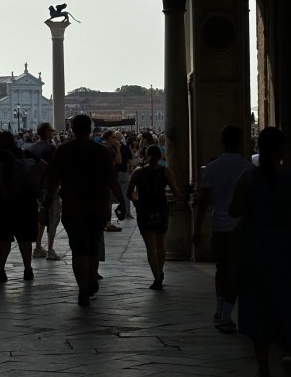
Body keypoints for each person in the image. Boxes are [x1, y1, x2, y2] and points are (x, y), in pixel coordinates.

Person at [228, 126, 291, 377]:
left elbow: (233, 210)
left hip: (256, 246)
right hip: (286, 244)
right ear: (281, 149)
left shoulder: (249, 177)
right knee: (287, 300)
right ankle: (287, 354)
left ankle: (263, 370)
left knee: (256, 305)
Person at [44, 114, 125, 306]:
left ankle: (82, 288)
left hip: (73, 206)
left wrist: (47, 201)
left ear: (72, 128)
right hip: (98, 206)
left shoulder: (64, 150)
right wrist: (121, 201)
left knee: (78, 248)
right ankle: (90, 281)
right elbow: (111, 179)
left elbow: (53, 179)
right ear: (90, 129)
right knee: (93, 246)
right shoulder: (101, 151)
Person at [193, 124, 251, 332]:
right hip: (240, 227)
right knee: (235, 272)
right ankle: (226, 313)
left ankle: (219, 309)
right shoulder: (248, 168)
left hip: (218, 225)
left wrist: (197, 229)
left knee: (221, 269)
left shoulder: (211, 169)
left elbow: (203, 201)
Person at [127, 143, 179, 290]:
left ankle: (156, 277)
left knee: (150, 247)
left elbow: (128, 192)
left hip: (144, 209)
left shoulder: (138, 172)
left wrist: (135, 202)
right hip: (161, 208)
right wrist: (172, 203)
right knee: (161, 244)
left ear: (146, 155)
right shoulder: (166, 171)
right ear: (160, 156)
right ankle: (160, 271)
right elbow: (176, 192)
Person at [0, 131, 39, 281]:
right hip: (26, 201)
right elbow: (44, 166)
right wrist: (39, 187)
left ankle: (0, 270)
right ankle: (28, 269)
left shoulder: (0, 155)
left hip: (7, 203)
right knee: (25, 238)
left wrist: (1, 191)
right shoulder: (24, 153)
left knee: (4, 238)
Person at [25, 122, 61, 260]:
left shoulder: (31, 147)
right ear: (46, 132)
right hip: (48, 186)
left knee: (40, 217)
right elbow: (53, 169)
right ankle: (51, 249)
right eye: (51, 130)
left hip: (34, 187)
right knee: (53, 217)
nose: (53, 132)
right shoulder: (51, 148)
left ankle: (38, 246)